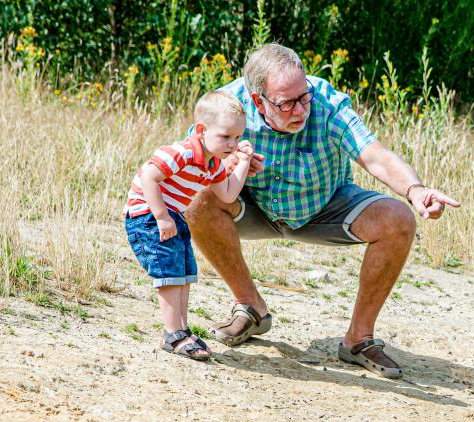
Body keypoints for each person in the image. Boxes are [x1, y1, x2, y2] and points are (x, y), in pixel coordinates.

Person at [186, 43, 459, 379]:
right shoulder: (226, 109)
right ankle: (251, 307)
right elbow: (189, 165)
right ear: (257, 102)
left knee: (398, 218)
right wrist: (225, 165)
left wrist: (415, 190)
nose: (301, 110)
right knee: (198, 199)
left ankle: (358, 340)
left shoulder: (326, 103)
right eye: (287, 103)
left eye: (304, 97)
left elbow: (374, 155)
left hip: (325, 206)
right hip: (253, 205)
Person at [125, 91, 256, 361]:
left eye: (238, 137)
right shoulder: (182, 153)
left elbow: (229, 194)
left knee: (185, 271)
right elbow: (150, 177)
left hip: (174, 215)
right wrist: (161, 217)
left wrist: (242, 164)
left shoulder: (213, 164)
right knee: (169, 271)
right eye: (225, 136)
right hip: (148, 214)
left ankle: (181, 330)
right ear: (201, 130)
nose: (233, 143)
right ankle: (172, 333)